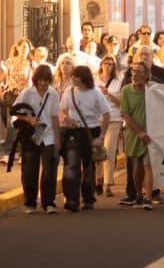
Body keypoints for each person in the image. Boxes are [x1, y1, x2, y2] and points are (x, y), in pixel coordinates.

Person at [59, 66, 111, 212]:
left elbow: (107, 114)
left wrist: (101, 136)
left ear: (84, 78)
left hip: (90, 132)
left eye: (77, 76)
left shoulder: (95, 93)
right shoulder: (69, 92)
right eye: (73, 76)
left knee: (88, 167)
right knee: (71, 165)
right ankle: (71, 199)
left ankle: (88, 199)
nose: (73, 78)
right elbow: (63, 109)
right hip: (73, 132)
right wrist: (66, 118)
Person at [11, 65, 60, 214]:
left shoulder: (53, 94)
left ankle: (48, 202)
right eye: (40, 81)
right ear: (36, 80)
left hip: (48, 135)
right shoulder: (27, 93)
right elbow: (14, 112)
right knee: (29, 169)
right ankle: (30, 203)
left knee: (49, 170)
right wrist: (29, 119)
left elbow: (55, 118)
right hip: (31, 136)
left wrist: (57, 139)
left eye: (46, 81)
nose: (43, 84)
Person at [120, 61, 155, 210]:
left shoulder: (152, 88)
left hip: (151, 134)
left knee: (148, 165)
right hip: (134, 134)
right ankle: (138, 194)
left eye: (139, 71)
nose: (135, 74)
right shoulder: (126, 91)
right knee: (137, 167)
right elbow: (126, 115)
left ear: (146, 75)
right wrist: (139, 132)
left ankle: (148, 197)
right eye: (133, 71)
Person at [95, 55, 122, 198]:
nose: (107, 66)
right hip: (97, 119)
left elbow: (121, 103)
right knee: (97, 151)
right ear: (101, 64)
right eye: (105, 63)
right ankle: (98, 177)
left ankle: (108, 184)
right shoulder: (94, 80)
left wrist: (108, 94)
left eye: (110, 64)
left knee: (110, 151)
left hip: (114, 118)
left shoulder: (118, 82)